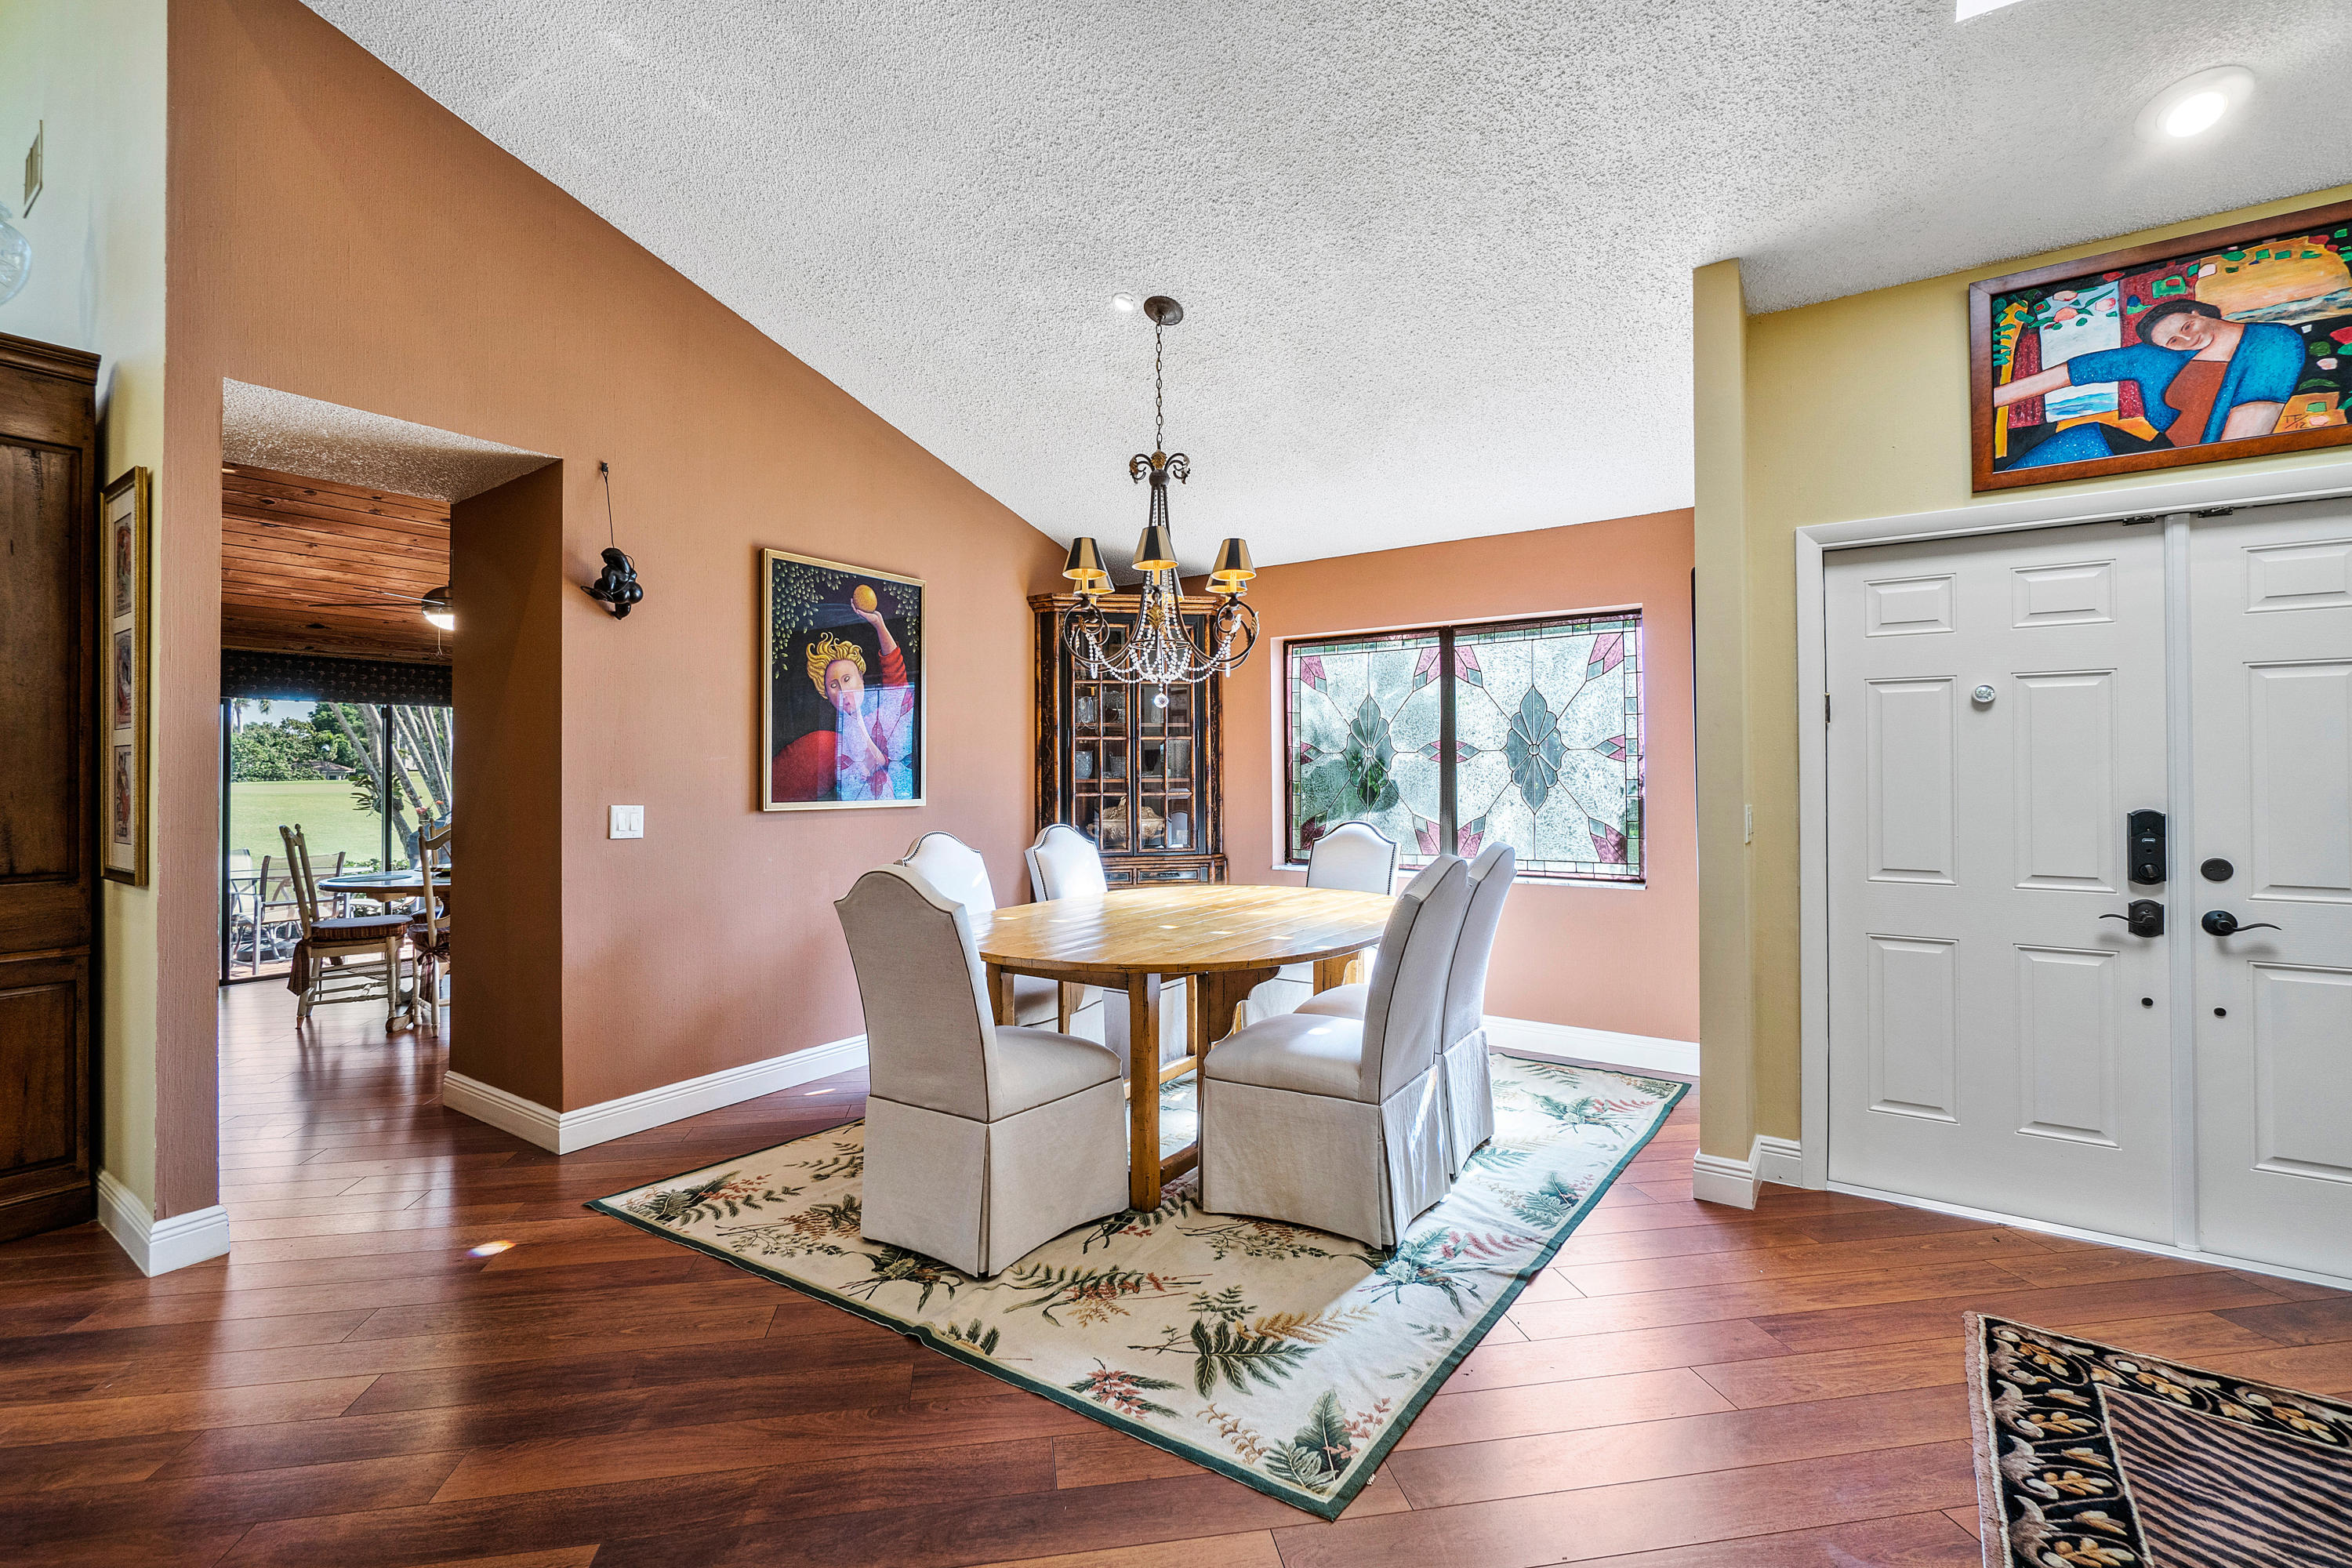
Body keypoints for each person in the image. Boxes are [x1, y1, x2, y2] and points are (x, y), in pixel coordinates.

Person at [1993, 296, 2301, 470]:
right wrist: (1982, 404)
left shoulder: (2273, 341)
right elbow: (2075, 371)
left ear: (2198, 312)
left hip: (2191, 472)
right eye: (2173, 341)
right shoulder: (2159, 356)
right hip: (2153, 455)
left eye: (2187, 326)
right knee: (2074, 444)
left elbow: (2247, 433)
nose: (2186, 339)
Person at [769, 592, 914, 802]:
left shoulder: (889, 715)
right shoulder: (824, 745)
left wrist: (879, 624)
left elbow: (896, 677)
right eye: (834, 685)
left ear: (862, 679)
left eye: (847, 679)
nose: (844, 691)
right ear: (827, 694)